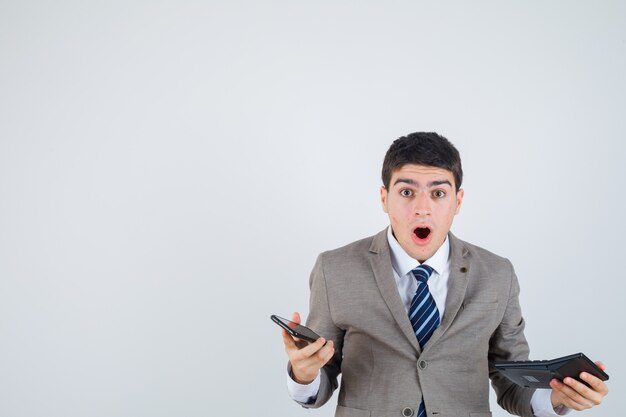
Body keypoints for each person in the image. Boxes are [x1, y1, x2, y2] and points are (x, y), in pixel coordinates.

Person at [279, 132, 608, 417]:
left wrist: (556, 397)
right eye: (407, 192)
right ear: (384, 198)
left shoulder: (497, 274)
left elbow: (512, 382)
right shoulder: (334, 268)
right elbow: (320, 380)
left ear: (457, 200)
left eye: (438, 193)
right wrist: (304, 374)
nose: (422, 208)